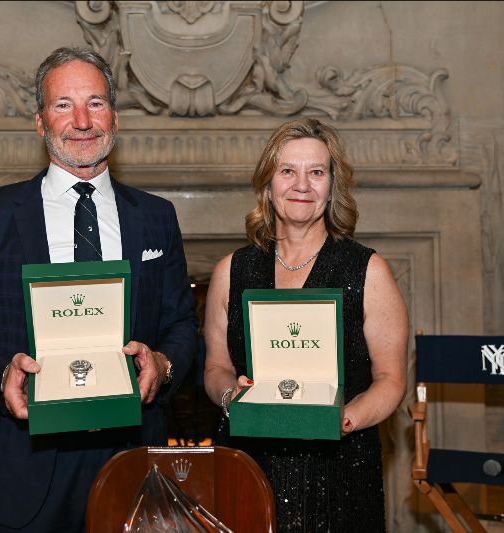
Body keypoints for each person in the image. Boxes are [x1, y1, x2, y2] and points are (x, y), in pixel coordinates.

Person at [0, 47, 198, 532]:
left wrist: (163, 363)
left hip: (133, 461)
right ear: (40, 122)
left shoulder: (157, 216)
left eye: (95, 103)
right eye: (63, 104)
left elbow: (182, 325)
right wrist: (1, 374)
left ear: (114, 117)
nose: (82, 121)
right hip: (23, 465)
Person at [203, 118, 408, 531]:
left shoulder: (368, 271)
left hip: (339, 470)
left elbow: (391, 379)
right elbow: (216, 367)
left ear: (332, 187)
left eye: (316, 172)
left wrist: (344, 419)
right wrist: (230, 396)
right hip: (249, 463)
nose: (301, 185)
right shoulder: (231, 271)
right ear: (268, 184)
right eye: (287, 171)